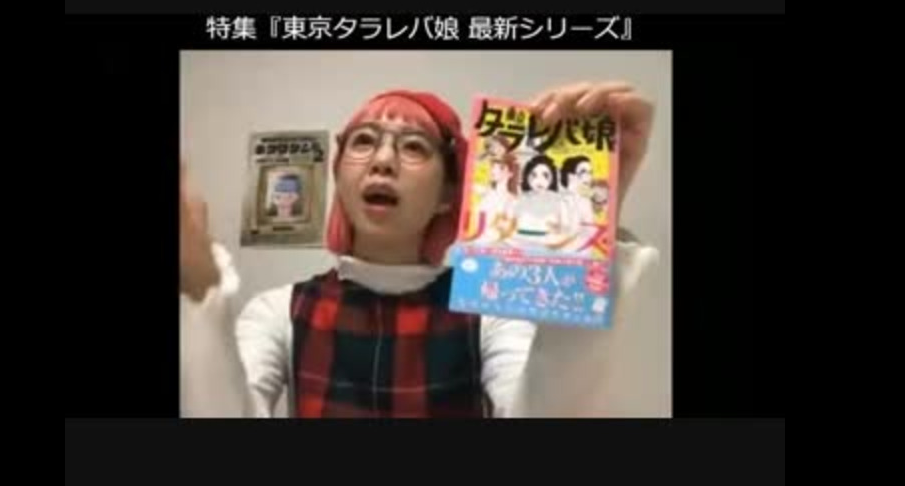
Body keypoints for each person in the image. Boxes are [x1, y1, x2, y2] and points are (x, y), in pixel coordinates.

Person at [180, 82, 659, 418]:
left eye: (413, 147)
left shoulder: (489, 314)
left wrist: (585, 226)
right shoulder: (278, 310)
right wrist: (200, 290)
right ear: (339, 176)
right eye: (363, 142)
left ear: (449, 192)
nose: (383, 161)